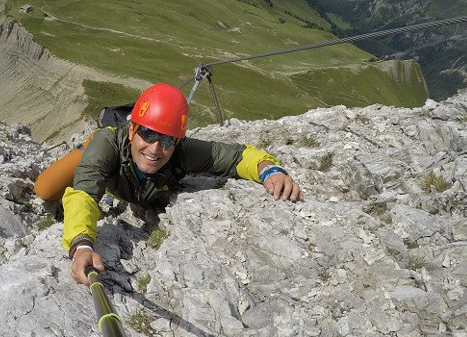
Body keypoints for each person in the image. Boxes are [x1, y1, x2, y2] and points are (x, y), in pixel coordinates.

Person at [35, 83, 303, 285]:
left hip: (127, 178)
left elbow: (238, 155)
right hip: (99, 151)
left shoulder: (183, 151)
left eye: (166, 140)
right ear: (131, 130)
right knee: (45, 190)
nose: (155, 148)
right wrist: (81, 244)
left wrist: (270, 170)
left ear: (177, 141)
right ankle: (86, 147)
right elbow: (84, 193)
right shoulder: (109, 145)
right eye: (148, 134)